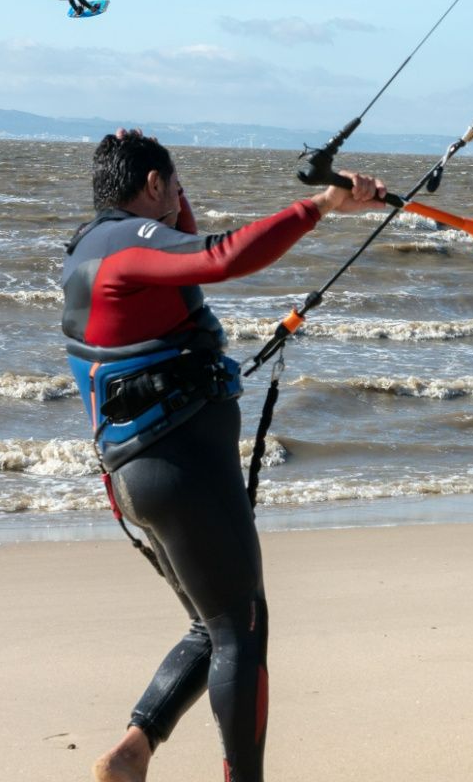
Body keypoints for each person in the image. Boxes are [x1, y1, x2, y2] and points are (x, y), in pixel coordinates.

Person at [61, 129, 386, 782]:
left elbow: (181, 244)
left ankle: (132, 753)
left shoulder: (95, 247)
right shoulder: (124, 244)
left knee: (214, 626)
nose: (182, 199)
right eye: (173, 185)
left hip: (139, 480)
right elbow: (220, 256)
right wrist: (322, 206)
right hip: (178, 470)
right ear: (152, 185)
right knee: (242, 630)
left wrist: (164, 182)